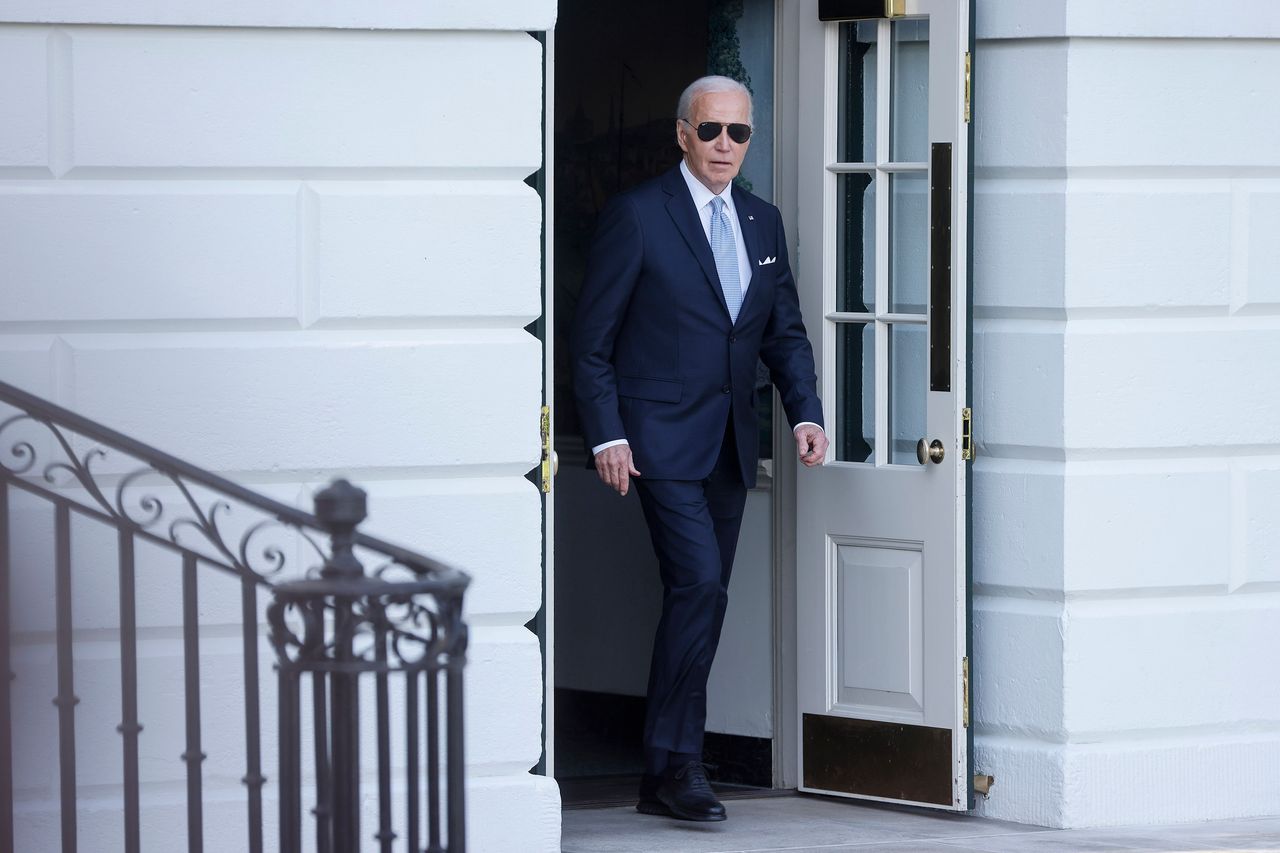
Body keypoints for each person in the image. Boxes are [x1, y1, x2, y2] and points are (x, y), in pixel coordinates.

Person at [570, 75, 827, 822]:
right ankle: (678, 764)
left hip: (728, 445)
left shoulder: (762, 220)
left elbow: (783, 331)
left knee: (703, 599)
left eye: (738, 133)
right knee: (701, 585)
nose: (724, 146)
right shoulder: (638, 216)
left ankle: (664, 767)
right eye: (710, 131)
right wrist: (609, 431)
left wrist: (804, 411)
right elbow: (593, 344)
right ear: (682, 133)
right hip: (655, 443)